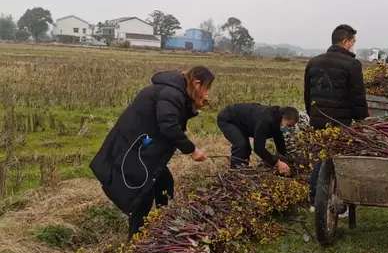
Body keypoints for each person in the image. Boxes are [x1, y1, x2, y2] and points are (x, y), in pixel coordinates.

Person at [89, 66, 214, 240]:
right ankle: (136, 245)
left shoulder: (175, 92)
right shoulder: (171, 93)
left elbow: (174, 115)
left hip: (143, 147)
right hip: (135, 149)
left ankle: (165, 224)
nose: (206, 95)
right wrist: (192, 150)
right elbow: (169, 125)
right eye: (206, 90)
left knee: (164, 182)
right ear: (197, 83)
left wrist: (194, 107)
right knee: (141, 199)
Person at [304, 24, 368, 210]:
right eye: (353, 42)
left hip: (318, 120)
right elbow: (357, 97)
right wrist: (361, 121)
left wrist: (313, 115)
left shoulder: (313, 62)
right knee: (340, 161)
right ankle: (338, 205)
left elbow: (308, 95)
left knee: (319, 158)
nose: (353, 46)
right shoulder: (352, 65)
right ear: (345, 41)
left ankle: (315, 201)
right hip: (341, 122)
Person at [216, 103, 299, 173]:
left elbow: (279, 141)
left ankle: (242, 171)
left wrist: (285, 158)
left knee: (246, 148)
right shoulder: (265, 121)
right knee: (241, 145)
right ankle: (234, 174)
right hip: (229, 119)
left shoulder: (277, 122)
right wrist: (277, 163)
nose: (289, 128)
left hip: (243, 123)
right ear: (282, 117)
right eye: (289, 125)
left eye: (292, 126)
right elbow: (259, 148)